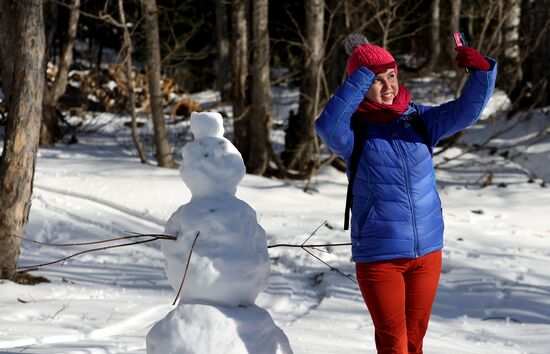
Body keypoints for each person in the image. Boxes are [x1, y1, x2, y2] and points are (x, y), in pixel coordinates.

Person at [314, 34, 497, 354]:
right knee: (394, 341)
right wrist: (364, 71)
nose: (388, 86)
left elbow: (467, 111)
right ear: (359, 83)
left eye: (391, 76)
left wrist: (481, 73)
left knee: (414, 340)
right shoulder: (352, 132)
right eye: (376, 80)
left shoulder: (419, 119)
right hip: (379, 255)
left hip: (428, 251)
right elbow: (326, 126)